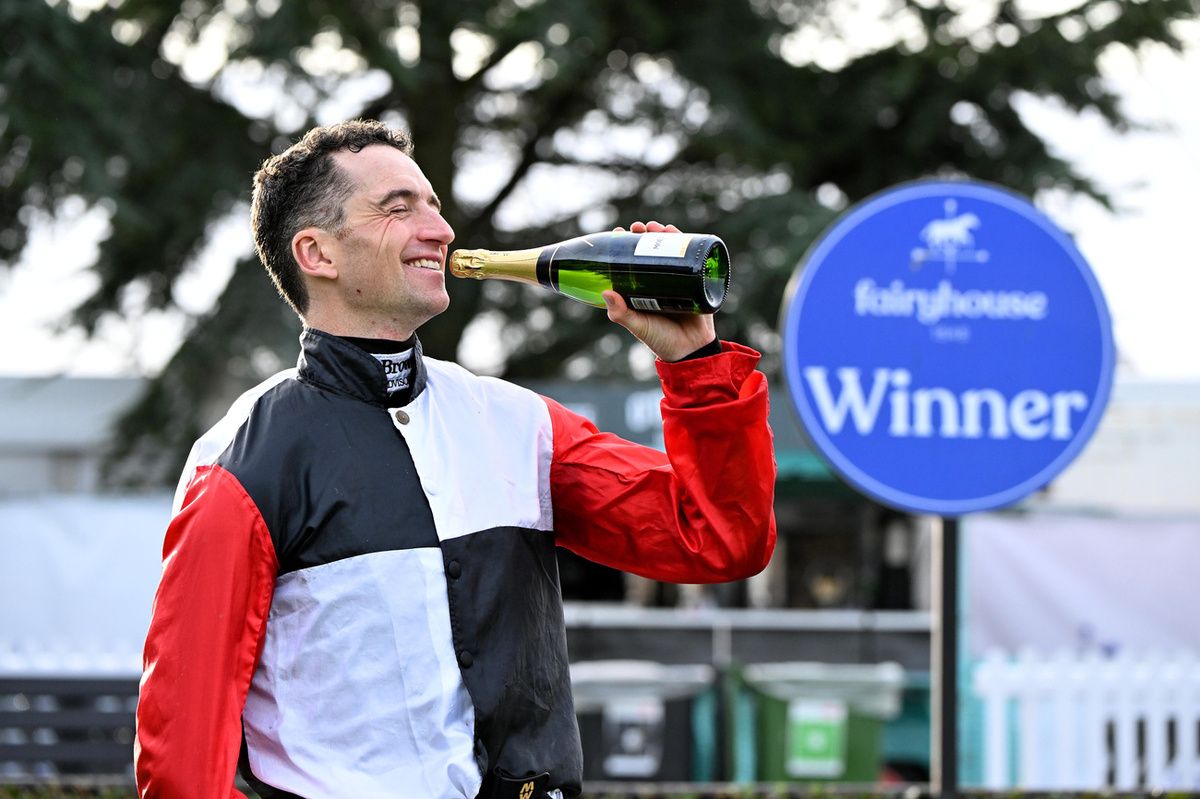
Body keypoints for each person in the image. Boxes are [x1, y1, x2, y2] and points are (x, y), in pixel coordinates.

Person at [133, 119, 777, 799]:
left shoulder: (517, 422)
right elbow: (182, 767)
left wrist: (693, 360)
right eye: (398, 208)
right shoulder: (240, 462)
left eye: (435, 206)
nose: (439, 229)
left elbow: (718, 539)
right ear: (316, 252)